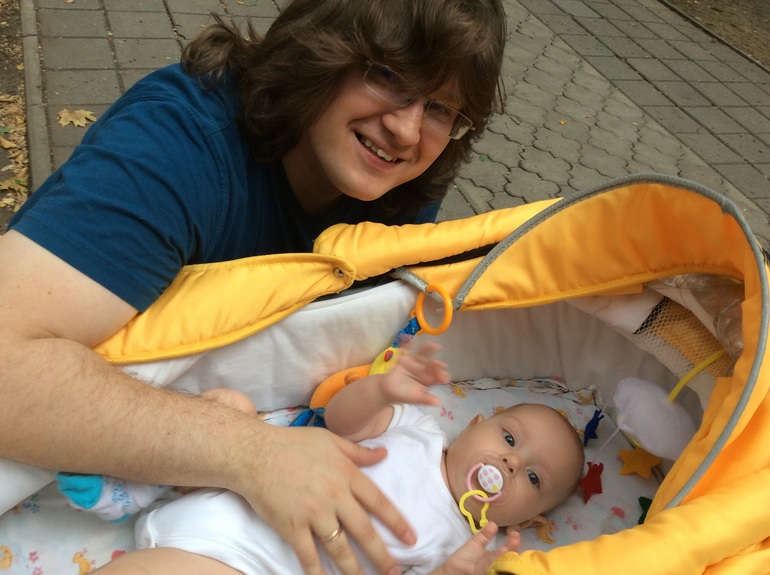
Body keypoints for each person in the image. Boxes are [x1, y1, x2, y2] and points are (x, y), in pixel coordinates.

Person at [0, 1, 507, 573]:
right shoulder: (178, 147)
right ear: (320, 51)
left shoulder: (398, 188)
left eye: (439, 108)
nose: (407, 130)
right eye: (388, 76)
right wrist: (252, 453)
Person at [90, 343, 584, 574]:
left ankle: (142, 492)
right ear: (473, 424)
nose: (512, 463)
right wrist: (380, 390)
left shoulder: (459, 545)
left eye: (534, 477)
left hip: (249, 560)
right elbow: (342, 422)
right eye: (510, 438)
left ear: (528, 520)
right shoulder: (420, 431)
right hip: (235, 483)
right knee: (230, 407)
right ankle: (144, 484)